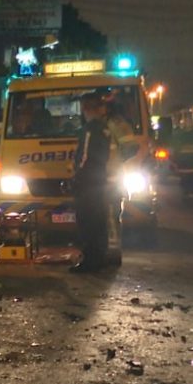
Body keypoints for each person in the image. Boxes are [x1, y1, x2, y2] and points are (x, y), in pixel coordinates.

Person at [71, 92, 112, 273]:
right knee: (99, 221)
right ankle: (100, 258)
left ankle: (89, 261)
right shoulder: (105, 129)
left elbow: (84, 156)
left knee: (87, 222)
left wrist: (77, 175)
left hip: (87, 182)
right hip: (100, 181)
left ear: (87, 109)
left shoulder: (89, 129)